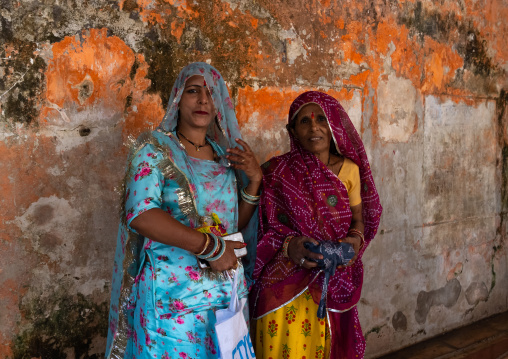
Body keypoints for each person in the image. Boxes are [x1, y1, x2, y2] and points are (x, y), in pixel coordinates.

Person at [106, 62, 262, 359]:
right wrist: (210, 247)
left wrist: (254, 181)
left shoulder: (224, 157)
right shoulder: (154, 150)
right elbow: (140, 214)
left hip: (223, 300)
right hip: (171, 301)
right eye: (193, 91)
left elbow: (230, 227)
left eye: (211, 93)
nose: (203, 100)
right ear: (178, 98)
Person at [250, 91, 382, 359]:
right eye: (304, 122)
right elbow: (259, 225)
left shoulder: (349, 170)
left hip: (335, 277)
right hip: (285, 282)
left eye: (321, 119)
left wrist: (355, 241)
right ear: (293, 131)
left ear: (334, 123)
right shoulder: (276, 172)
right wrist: (290, 246)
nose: (314, 127)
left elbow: (359, 219)